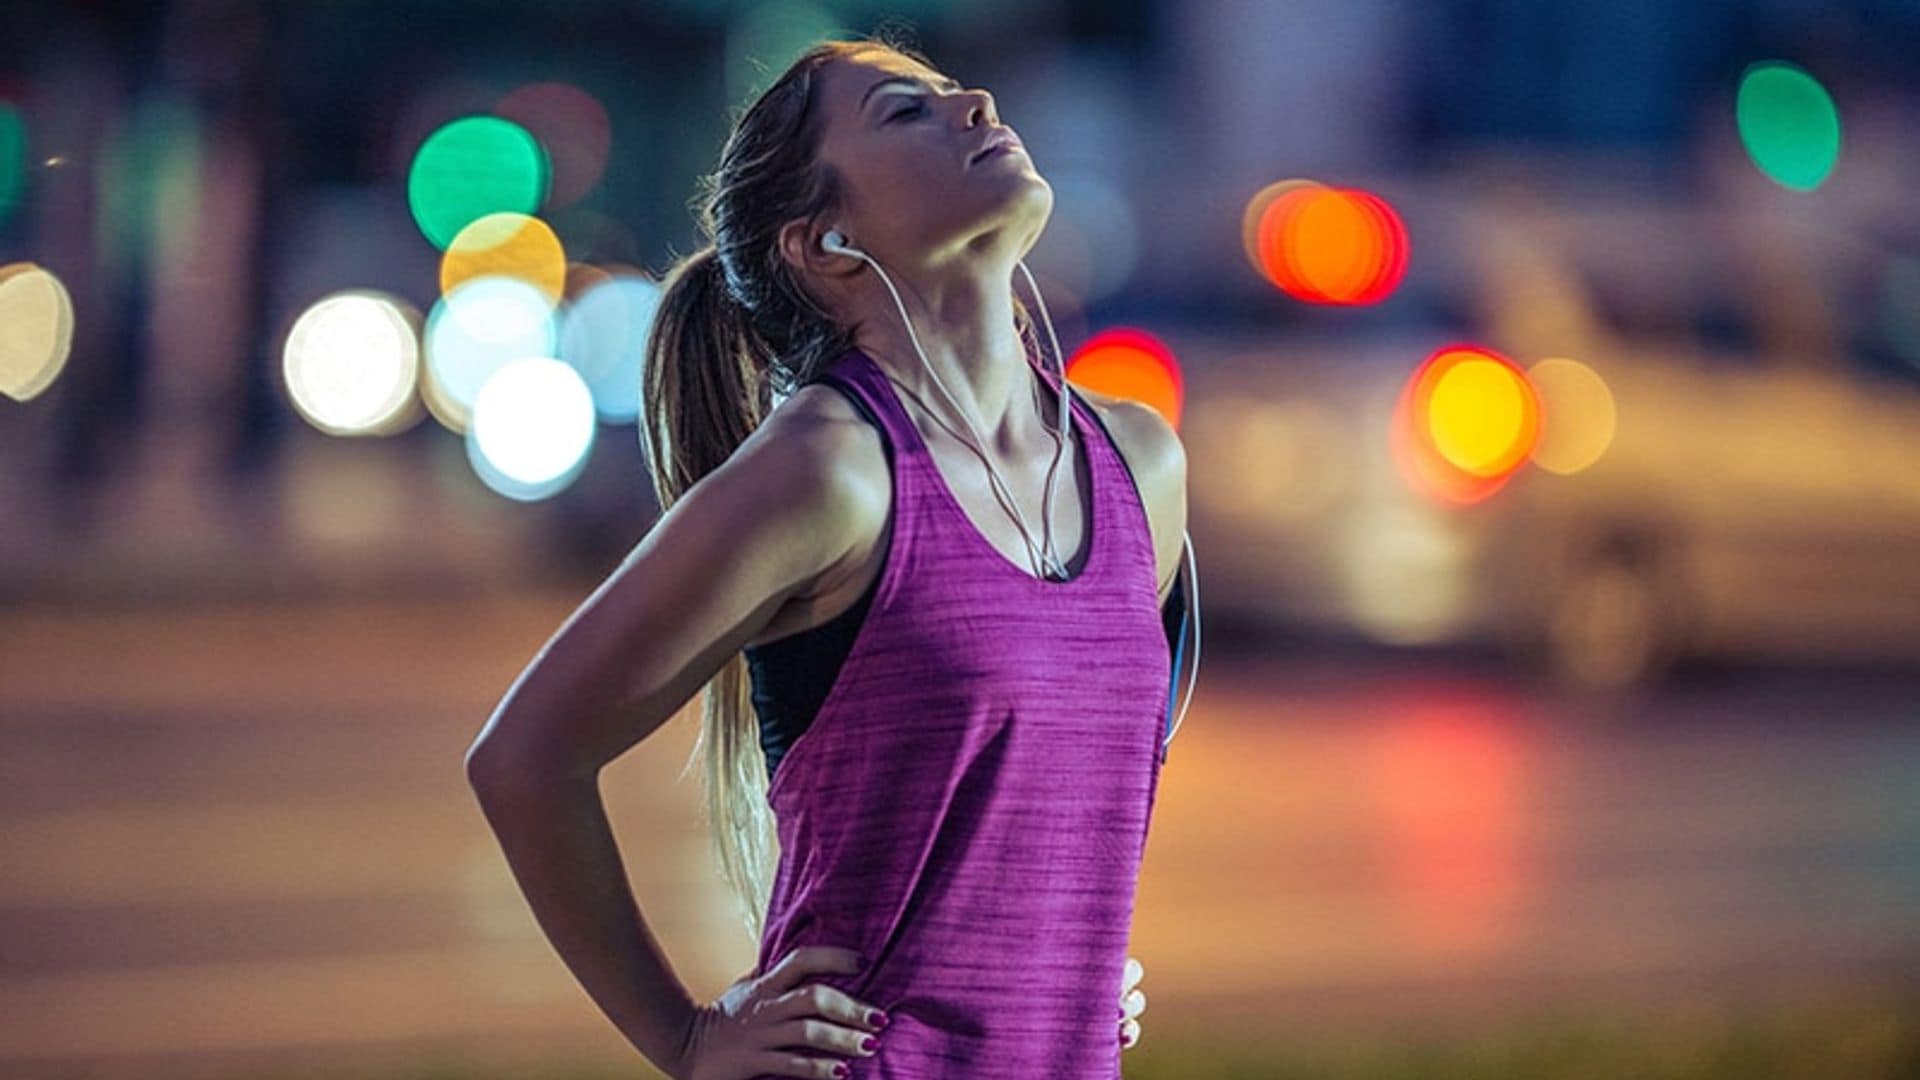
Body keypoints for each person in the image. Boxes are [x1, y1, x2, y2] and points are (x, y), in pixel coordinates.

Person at [465, 31, 1188, 1079]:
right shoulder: (828, 471)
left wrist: (1067, 947)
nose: (976, 104)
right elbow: (525, 758)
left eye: (952, 91)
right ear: (825, 241)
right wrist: (684, 1037)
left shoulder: (1140, 463)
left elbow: (1078, 770)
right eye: (907, 112)